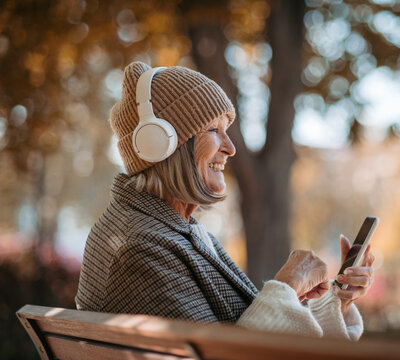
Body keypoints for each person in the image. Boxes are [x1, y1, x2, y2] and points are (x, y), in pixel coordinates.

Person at [75, 62, 375, 340]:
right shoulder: (140, 248)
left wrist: (338, 300)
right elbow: (226, 352)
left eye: (227, 131)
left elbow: (241, 331)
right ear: (160, 144)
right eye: (213, 130)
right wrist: (287, 284)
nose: (230, 148)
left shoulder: (173, 231)